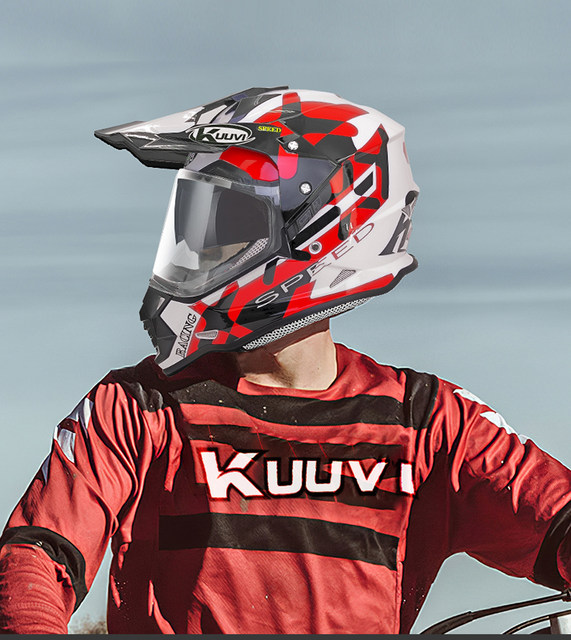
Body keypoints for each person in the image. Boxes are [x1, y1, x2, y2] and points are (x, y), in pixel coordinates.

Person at [0, 86, 570, 634]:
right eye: (195, 226)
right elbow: (34, 558)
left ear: (322, 230)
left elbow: (555, 514)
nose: (198, 248)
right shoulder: (137, 406)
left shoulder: (429, 420)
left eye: (225, 225)